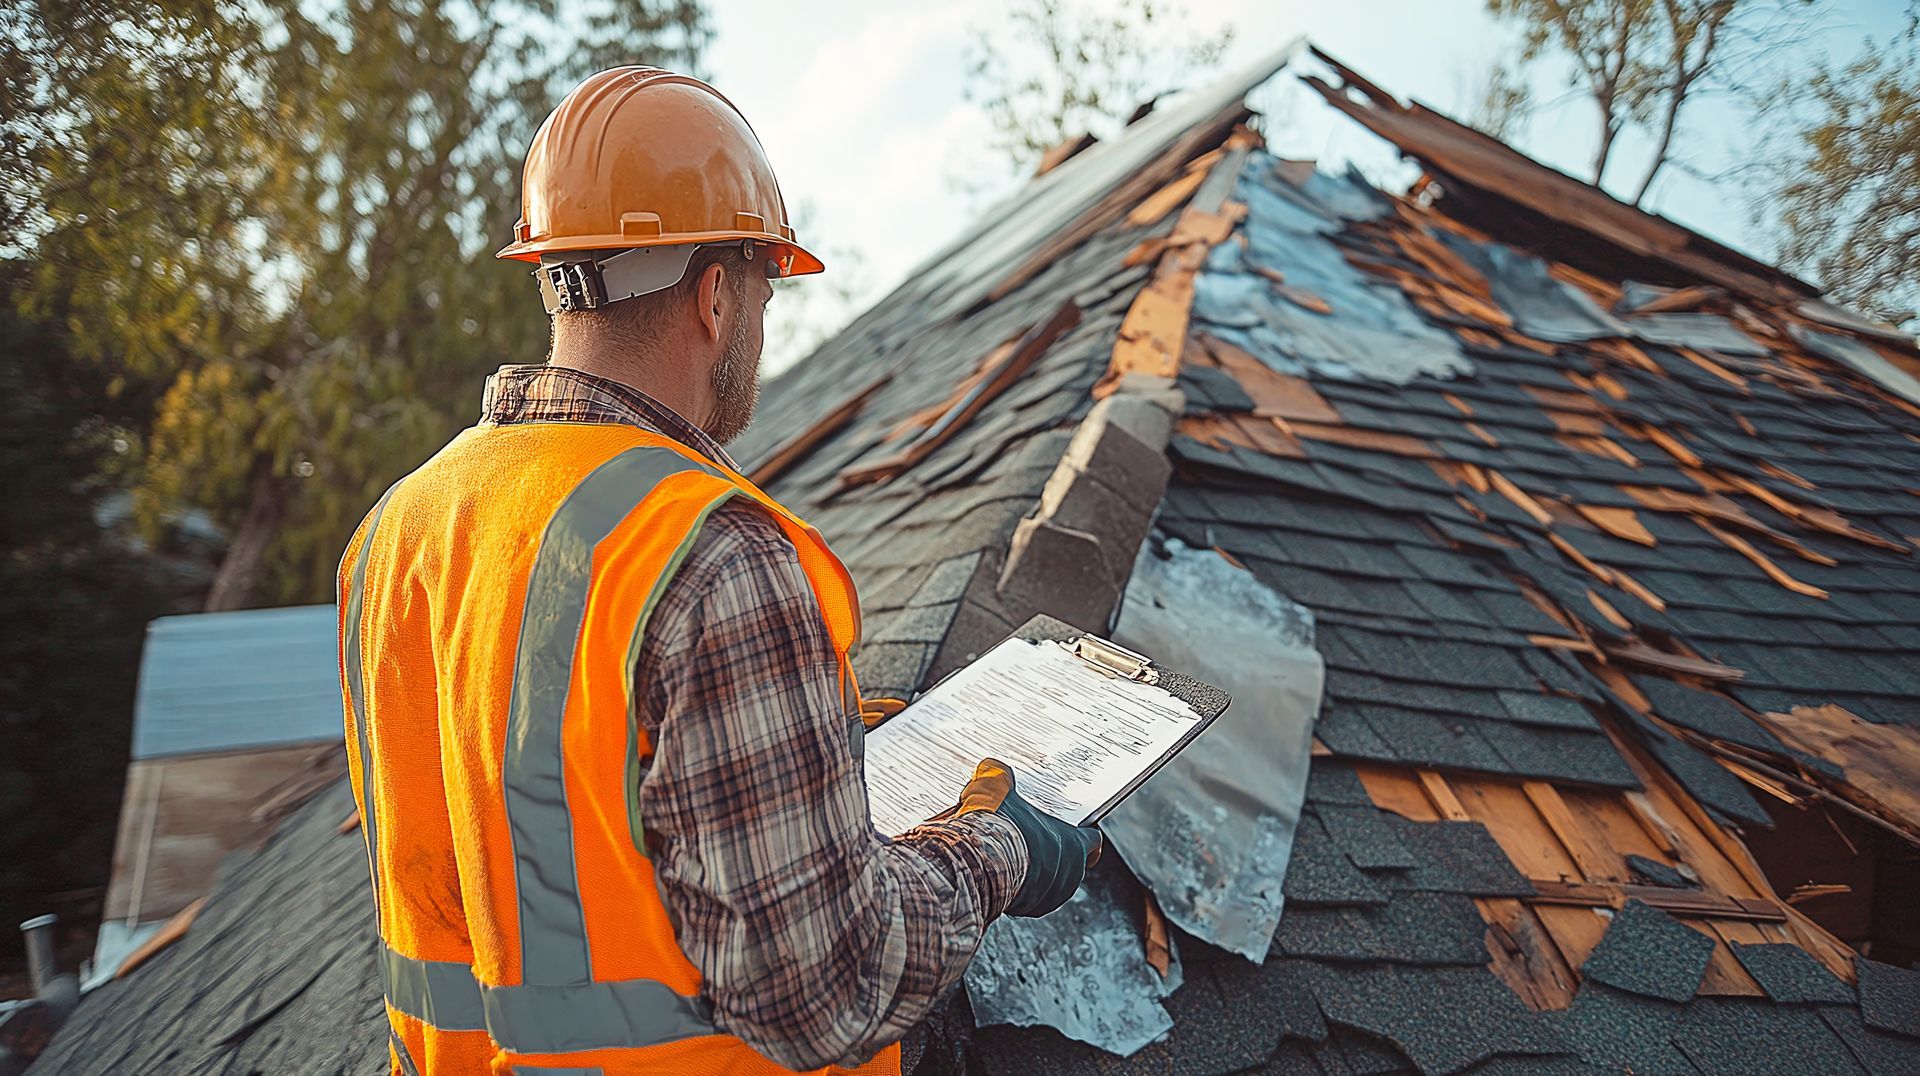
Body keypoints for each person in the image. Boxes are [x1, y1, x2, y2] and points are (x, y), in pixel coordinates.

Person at [337, 66, 1100, 1076]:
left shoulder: (398, 529)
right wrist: (994, 843)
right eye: (764, 291)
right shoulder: (708, 552)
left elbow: (546, 795)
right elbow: (824, 990)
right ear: (712, 295)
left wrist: (808, 730)